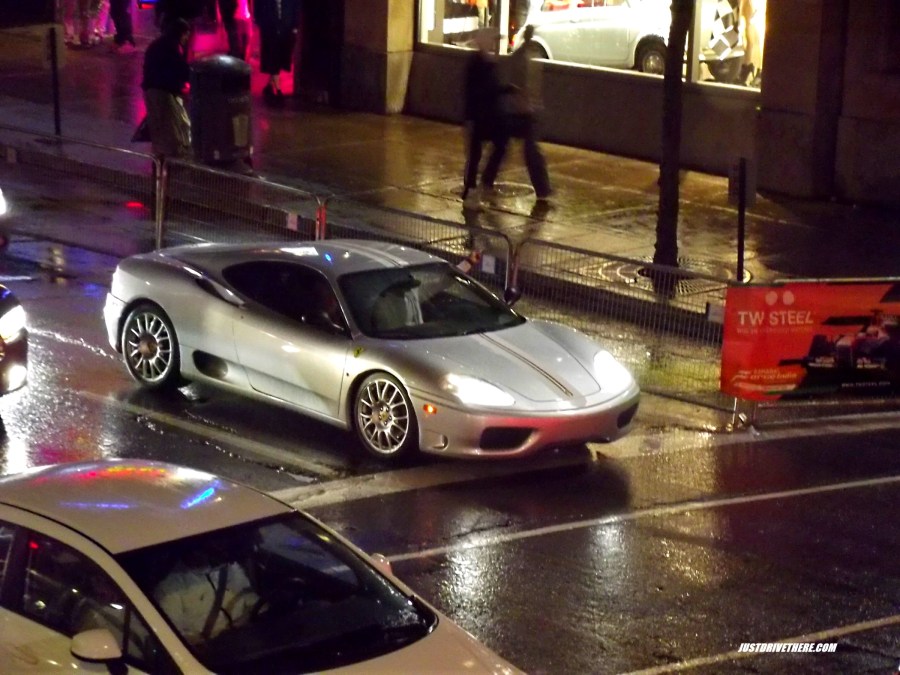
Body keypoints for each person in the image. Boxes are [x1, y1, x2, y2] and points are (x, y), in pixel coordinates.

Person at [502, 24, 552, 202]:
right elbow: (526, 86)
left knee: (504, 149)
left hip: (518, 110)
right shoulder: (530, 57)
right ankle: (543, 189)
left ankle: (486, 181)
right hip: (522, 111)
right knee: (530, 151)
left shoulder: (521, 56)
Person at [462, 28, 506, 210]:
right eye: (491, 40)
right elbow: (477, 91)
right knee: (475, 154)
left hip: (486, 116)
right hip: (479, 117)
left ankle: (477, 188)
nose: (494, 44)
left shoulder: (486, 61)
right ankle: (472, 192)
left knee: (496, 145)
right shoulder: (477, 62)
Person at [142, 18, 192, 159]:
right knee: (170, 125)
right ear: (180, 33)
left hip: (151, 89)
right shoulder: (172, 47)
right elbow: (180, 70)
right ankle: (170, 158)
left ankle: (159, 156)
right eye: (186, 34)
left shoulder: (159, 44)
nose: (187, 38)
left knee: (159, 125)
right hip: (162, 92)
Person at [253, 0, 302, 105]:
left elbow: (296, 6)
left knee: (280, 56)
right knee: (273, 55)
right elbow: (258, 7)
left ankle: (269, 86)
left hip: (285, 28)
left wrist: (295, 25)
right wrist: (260, 22)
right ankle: (278, 89)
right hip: (270, 28)